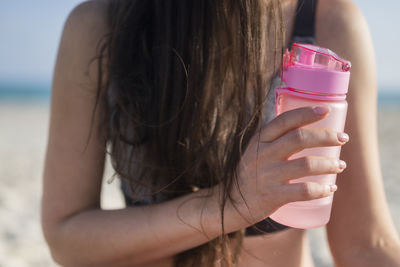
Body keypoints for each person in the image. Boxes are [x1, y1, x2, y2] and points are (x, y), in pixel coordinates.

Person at [41, 0, 400, 266]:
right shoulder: (100, 25)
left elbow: (364, 245)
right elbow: (67, 237)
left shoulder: (328, 22)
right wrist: (228, 205)